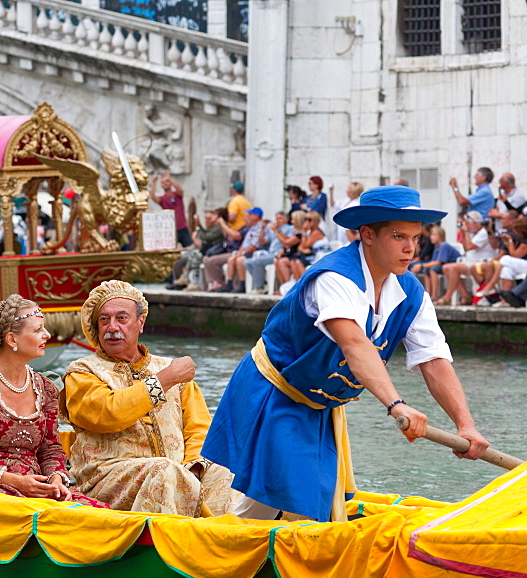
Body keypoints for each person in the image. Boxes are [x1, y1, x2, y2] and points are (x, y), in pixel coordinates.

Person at [202, 185, 489, 523]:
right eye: (399, 236)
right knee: (297, 498)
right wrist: (396, 405)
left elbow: (434, 359)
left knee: (283, 499)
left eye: (415, 236)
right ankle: (234, 554)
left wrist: (465, 425)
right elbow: (354, 344)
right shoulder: (335, 278)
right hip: (273, 390)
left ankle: (231, 546)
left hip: (318, 404)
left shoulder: (411, 291)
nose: (411, 247)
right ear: (367, 234)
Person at [62, 280, 241, 517]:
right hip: (106, 479)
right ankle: (178, 545)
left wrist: (194, 468)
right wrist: (163, 380)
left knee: (227, 470)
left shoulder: (170, 368)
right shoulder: (83, 372)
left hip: (175, 471)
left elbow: (199, 429)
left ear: (141, 322)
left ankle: (231, 541)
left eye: (121, 318)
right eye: (104, 320)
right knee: (163, 470)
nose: (112, 327)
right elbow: (107, 413)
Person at [0, 295, 106, 507]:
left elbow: (50, 450)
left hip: (35, 481)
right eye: (38, 330)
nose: (47, 335)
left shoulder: (46, 388)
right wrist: (13, 480)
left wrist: (56, 480)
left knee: (88, 511)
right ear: (12, 340)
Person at [437, 210, 496, 306]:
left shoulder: (483, 232)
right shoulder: (473, 233)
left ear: (476, 223)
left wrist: (466, 231)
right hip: (470, 263)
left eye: (468, 223)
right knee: (446, 268)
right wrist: (464, 232)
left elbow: (468, 247)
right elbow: (465, 247)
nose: (467, 226)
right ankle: (466, 295)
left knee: (451, 268)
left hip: (480, 263)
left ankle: (447, 298)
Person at [408, 225, 460, 299]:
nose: (431, 237)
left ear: (440, 236)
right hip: (444, 265)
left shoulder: (443, 245)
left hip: (451, 265)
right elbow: (434, 261)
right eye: (431, 235)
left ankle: (434, 295)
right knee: (426, 271)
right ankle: (428, 294)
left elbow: (438, 262)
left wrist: (421, 266)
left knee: (433, 270)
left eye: (434, 235)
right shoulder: (436, 246)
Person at [150, 171, 190, 247]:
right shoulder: (162, 199)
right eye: (162, 182)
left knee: (189, 248)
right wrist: (154, 182)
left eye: (167, 182)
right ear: (161, 186)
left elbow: (181, 190)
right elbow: (152, 196)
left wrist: (169, 178)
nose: (165, 183)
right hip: (171, 230)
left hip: (183, 228)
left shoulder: (177, 195)